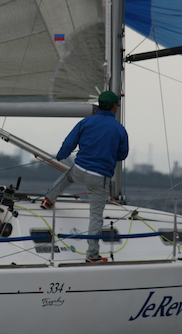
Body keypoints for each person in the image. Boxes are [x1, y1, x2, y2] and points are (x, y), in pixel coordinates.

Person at [41, 90, 128, 263]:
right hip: (99, 178)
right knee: (95, 216)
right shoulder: (119, 129)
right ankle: (92, 255)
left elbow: (69, 143)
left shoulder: (86, 122)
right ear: (114, 106)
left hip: (79, 170)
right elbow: (122, 155)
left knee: (68, 177)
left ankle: (48, 199)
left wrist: (60, 155)